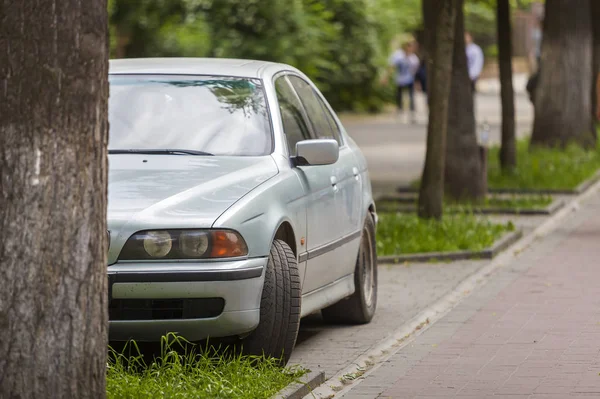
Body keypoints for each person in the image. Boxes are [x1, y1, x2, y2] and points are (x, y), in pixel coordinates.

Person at [388, 40, 420, 123]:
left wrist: (416, 82)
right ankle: (400, 112)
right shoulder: (399, 56)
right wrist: (386, 77)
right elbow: (392, 66)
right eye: (409, 47)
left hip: (409, 79)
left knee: (411, 97)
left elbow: (415, 72)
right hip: (400, 79)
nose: (410, 49)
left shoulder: (414, 59)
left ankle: (412, 114)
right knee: (399, 96)